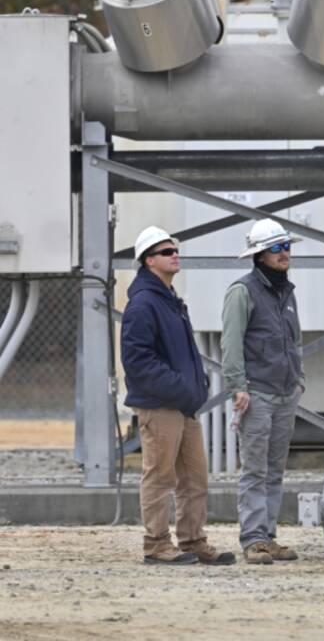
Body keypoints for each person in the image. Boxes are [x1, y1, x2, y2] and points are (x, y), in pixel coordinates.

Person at [121, 225, 236, 566]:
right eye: (166, 252)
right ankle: (156, 544)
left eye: (175, 250)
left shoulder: (169, 300)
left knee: (194, 478)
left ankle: (192, 540)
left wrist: (192, 388)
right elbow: (138, 360)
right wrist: (181, 387)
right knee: (160, 475)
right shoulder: (143, 304)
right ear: (148, 261)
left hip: (182, 405)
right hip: (160, 405)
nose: (175, 255)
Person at [222, 218, 305, 565]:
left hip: (285, 394)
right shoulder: (242, 291)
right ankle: (253, 538)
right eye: (275, 248)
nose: (284, 253)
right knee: (255, 470)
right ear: (259, 255)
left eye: (285, 246)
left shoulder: (287, 292)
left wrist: (299, 379)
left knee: (274, 470)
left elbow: (294, 339)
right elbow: (231, 344)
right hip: (257, 395)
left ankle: (266, 536)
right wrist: (238, 387)